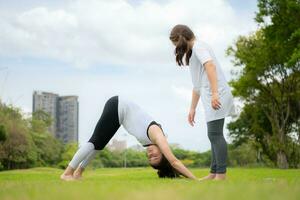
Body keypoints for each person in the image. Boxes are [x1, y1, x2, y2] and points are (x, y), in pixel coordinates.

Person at [60, 96, 197, 181]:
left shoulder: (151, 141)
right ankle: (67, 173)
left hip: (120, 114)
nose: (150, 154)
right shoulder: (158, 136)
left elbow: (170, 165)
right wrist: (195, 180)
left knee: (99, 146)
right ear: (163, 153)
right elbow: (173, 161)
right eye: (155, 156)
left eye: (150, 158)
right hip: (118, 106)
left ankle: (78, 173)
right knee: (94, 142)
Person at [169, 24, 236, 180]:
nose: (177, 48)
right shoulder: (194, 53)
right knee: (213, 134)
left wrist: (214, 93)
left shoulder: (199, 47)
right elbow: (197, 86)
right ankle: (213, 173)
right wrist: (192, 109)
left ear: (182, 38)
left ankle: (221, 175)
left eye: (176, 43)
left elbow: (210, 66)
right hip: (211, 97)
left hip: (216, 96)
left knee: (215, 134)